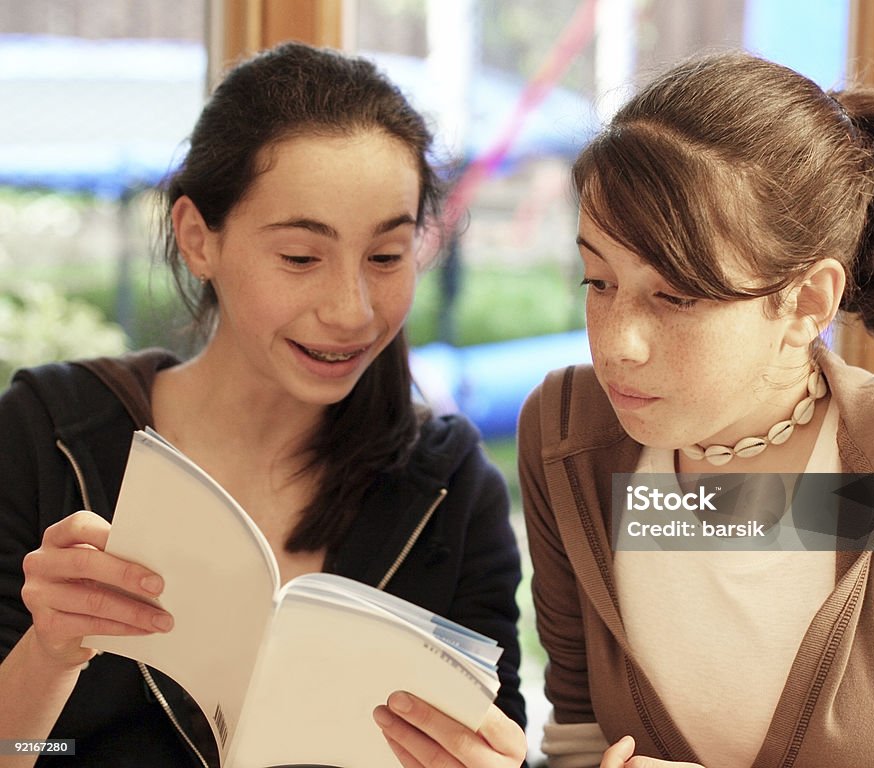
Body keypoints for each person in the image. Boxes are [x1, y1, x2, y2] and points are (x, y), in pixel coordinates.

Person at [0, 42, 526, 768]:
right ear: (197, 238)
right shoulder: (50, 434)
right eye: (301, 259)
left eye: (386, 257)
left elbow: (505, 744)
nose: (353, 311)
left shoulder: (450, 488)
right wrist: (51, 652)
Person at [517, 51, 874, 768]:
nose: (619, 345)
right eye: (598, 281)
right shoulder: (572, 438)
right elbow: (579, 738)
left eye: (676, 296)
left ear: (806, 301)